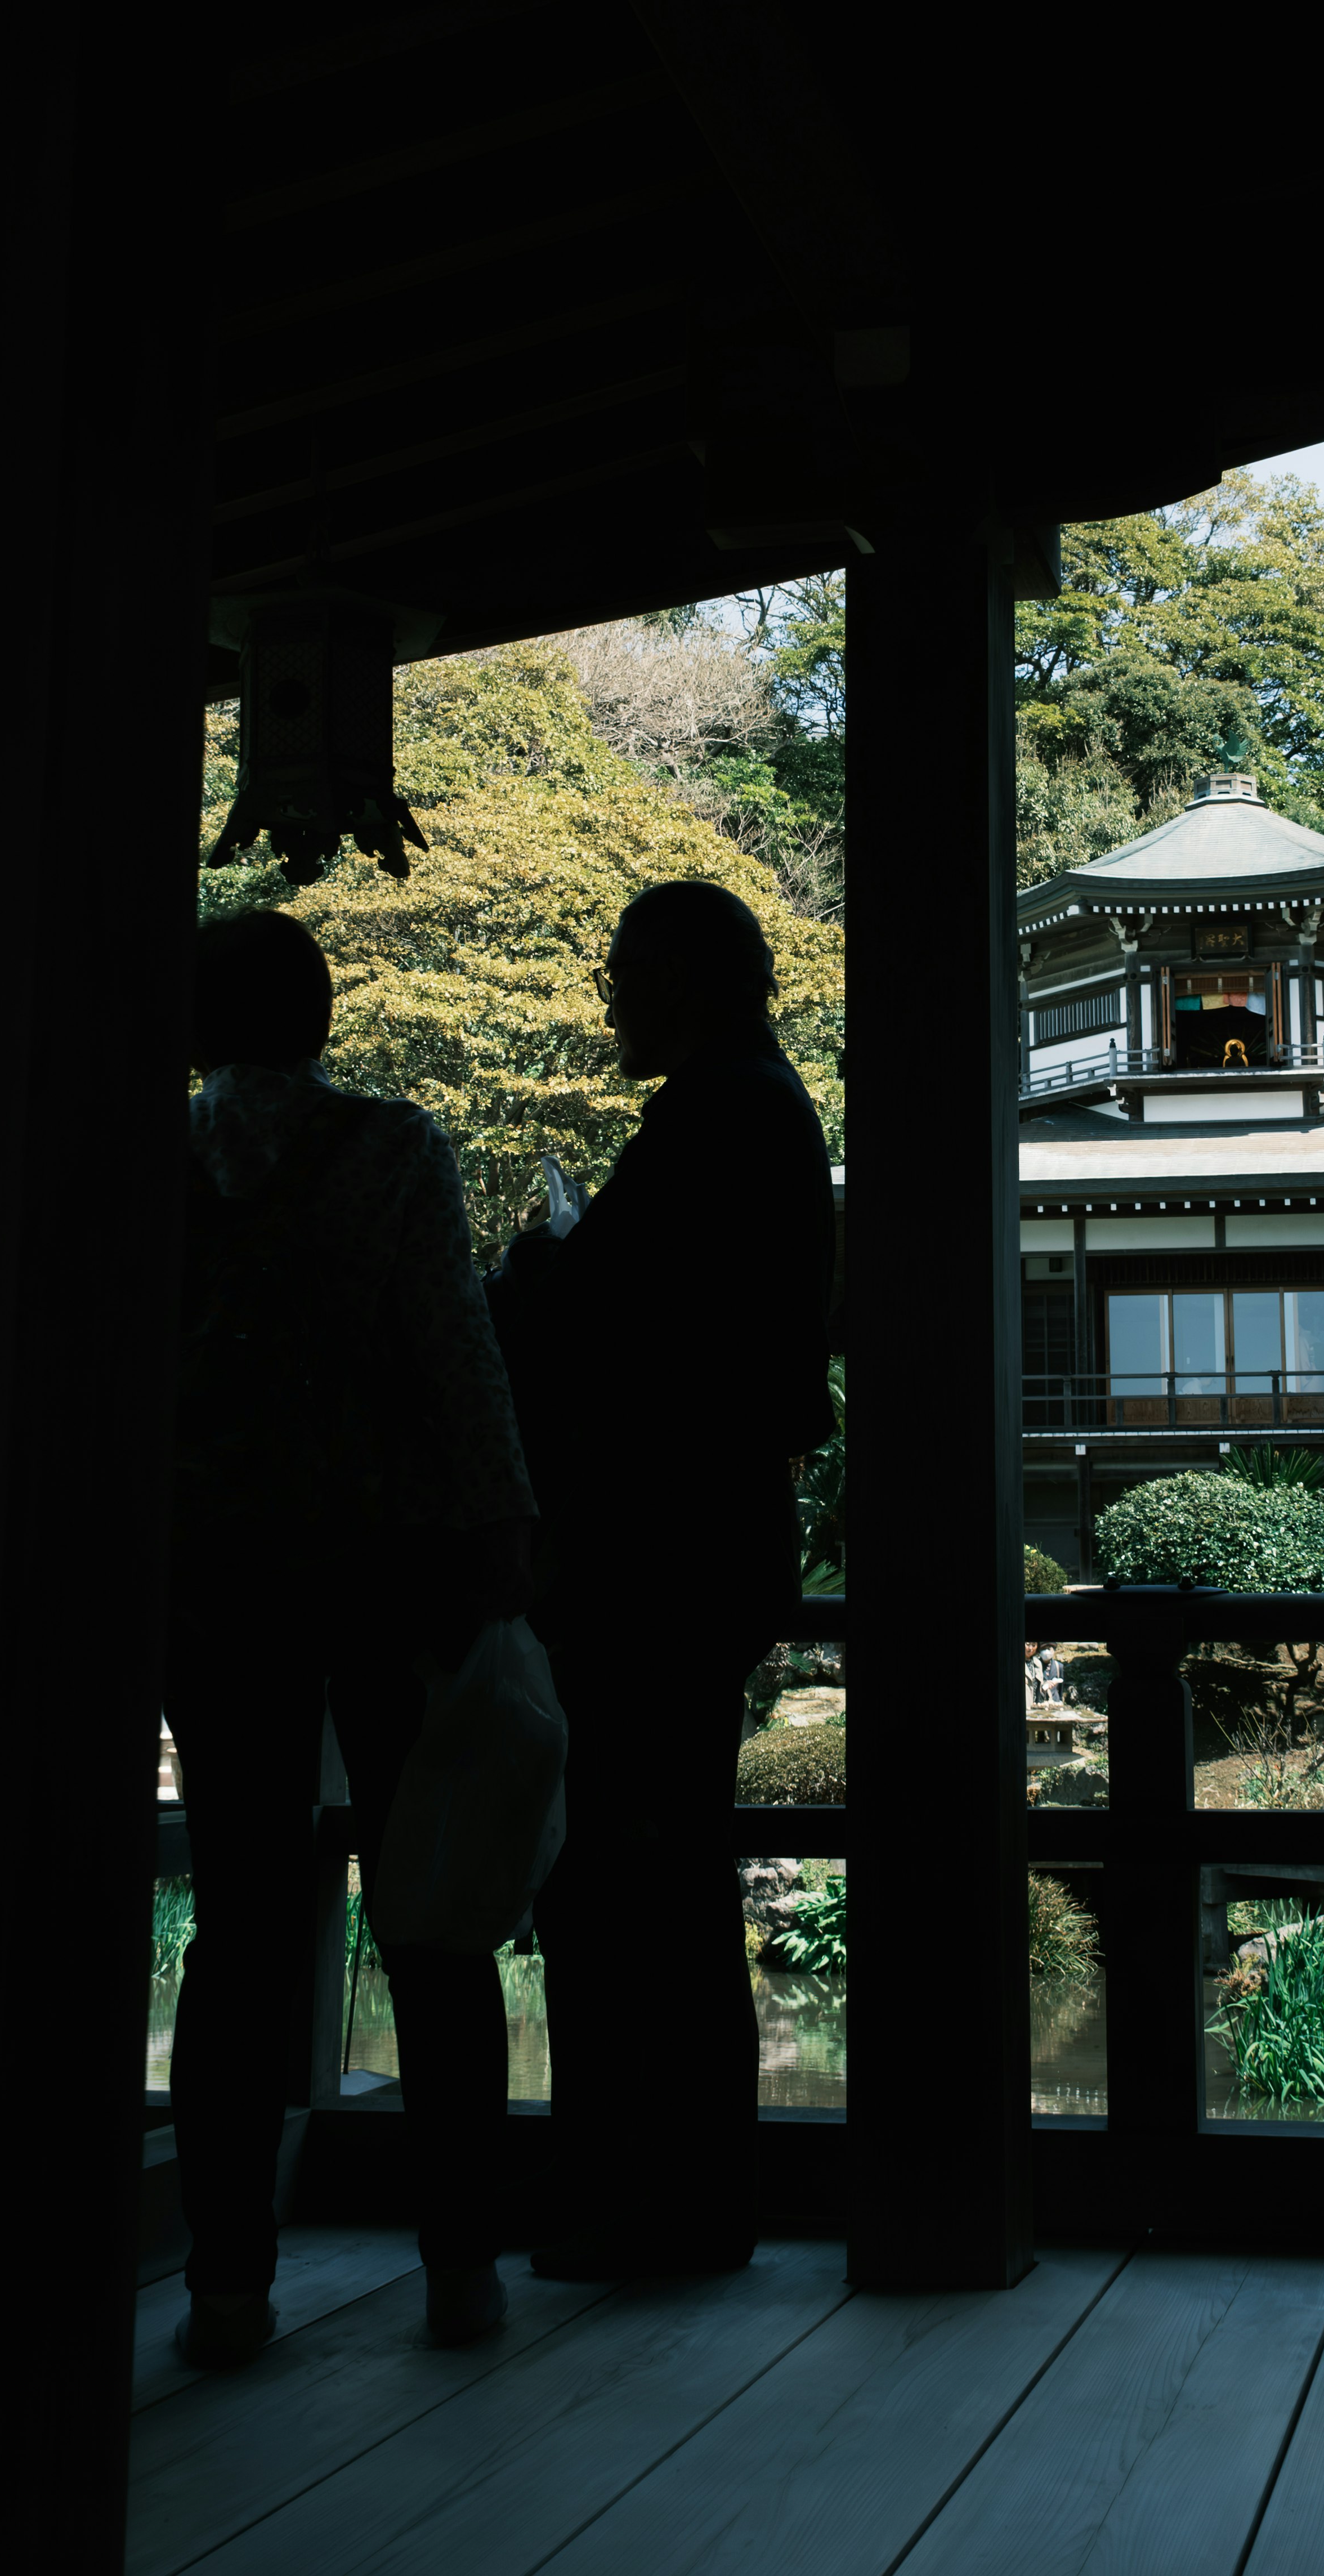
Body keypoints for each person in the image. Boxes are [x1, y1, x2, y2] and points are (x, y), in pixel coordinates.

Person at [165, 910, 536, 2365]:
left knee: (240, 1928)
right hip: (390, 1575)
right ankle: (461, 2269)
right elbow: (458, 1356)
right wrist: (503, 1531)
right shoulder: (391, 1152)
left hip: (211, 1579)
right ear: (321, 1020)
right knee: (437, 1917)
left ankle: (225, 2285)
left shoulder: (156, 1163)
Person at [485, 880, 836, 2277]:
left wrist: (528, 1269)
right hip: (711, 1547)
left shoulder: (715, 1118)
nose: (612, 997)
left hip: (653, 1561)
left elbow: (597, 1315)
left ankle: (634, 2201)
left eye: (628, 973)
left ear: (689, 981)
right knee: (674, 1881)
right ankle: (687, 2201)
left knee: (627, 1888)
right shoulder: (766, 1109)